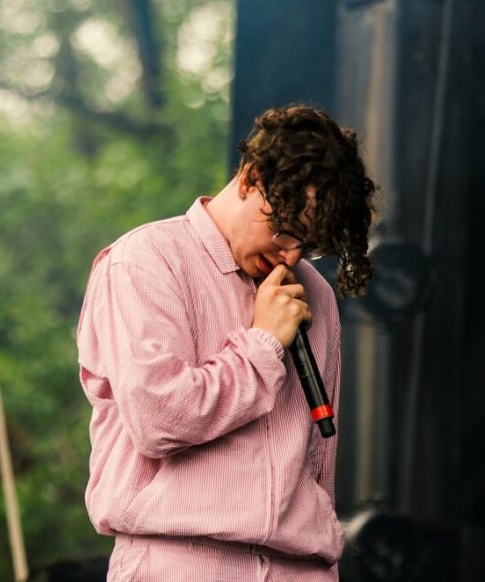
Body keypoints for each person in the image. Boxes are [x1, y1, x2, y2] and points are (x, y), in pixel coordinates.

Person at [76, 104, 376, 581]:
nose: (292, 254)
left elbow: (317, 464)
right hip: (178, 562)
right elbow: (159, 420)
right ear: (251, 179)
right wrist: (262, 344)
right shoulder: (145, 262)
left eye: (310, 245)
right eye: (286, 230)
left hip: (299, 568)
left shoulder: (313, 291)